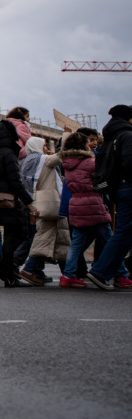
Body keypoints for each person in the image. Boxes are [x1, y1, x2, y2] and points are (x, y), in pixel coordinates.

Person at [59, 132, 132, 288]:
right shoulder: (90, 162)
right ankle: (122, 275)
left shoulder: (68, 163)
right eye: (88, 142)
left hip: (76, 204)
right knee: (110, 240)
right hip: (93, 204)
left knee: (76, 243)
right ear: (83, 146)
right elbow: (102, 178)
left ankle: (68, 275)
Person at [0, 119, 35, 287]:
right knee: (19, 235)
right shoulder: (9, 154)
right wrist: (29, 202)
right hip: (12, 201)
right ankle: (6, 271)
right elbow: (15, 181)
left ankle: (6, 271)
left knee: (9, 238)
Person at [86, 105, 132, 290]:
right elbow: (130, 163)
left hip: (117, 188)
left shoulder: (111, 137)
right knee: (123, 232)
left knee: (124, 231)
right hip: (128, 186)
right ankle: (100, 271)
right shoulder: (127, 135)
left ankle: (109, 272)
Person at [21, 137, 67, 284]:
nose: (46, 149)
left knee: (51, 236)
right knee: (44, 237)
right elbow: (61, 155)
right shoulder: (43, 160)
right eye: (45, 145)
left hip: (37, 203)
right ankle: (29, 269)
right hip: (49, 203)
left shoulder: (28, 161)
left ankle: (67, 272)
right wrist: (66, 136)